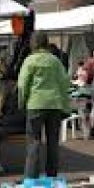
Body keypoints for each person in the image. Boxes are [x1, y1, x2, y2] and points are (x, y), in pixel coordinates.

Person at [18, 32, 71, 179]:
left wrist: (22, 103)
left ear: (33, 43)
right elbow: (64, 84)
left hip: (35, 104)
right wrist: (66, 107)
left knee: (34, 141)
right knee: (53, 143)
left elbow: (22, 84)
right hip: (54, 105)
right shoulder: (55, 61)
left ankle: (31, 177)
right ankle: (52, 176)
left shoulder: (30, 61)